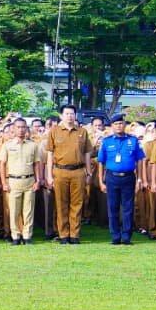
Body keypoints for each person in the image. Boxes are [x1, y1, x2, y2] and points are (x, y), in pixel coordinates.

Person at [45, 104, 93, 244]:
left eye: (72, 113)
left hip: (78, 171)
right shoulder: (54, 131)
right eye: (66, 114)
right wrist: (49, 175)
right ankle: (63, 234)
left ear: (75, 115)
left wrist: (89, 173)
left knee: (77, 204)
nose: (70, 116)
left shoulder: (82, 132)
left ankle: (74, 234)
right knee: (61, 204)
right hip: (60, 171)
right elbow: (49, 155)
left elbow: (87, 154)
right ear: (61, 116)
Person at [97, 115, 146, 246]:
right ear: (112, 126)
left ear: (125, 125)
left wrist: (140, 179)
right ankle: (115, 236)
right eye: (116, 124)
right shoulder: (106, 141)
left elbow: (140, 160)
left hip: (129, 177)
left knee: (128, 208)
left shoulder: (133, 141)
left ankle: (126, 237)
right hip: (112, 177)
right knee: (112, 208)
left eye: (121, 123)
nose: (119, 126)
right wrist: (101, 181)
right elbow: (101, 162)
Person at [0, 118, 43, 245]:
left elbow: (37, 164)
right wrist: (4, 183)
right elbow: (2, 164)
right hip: (13, 181)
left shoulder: (33, 145)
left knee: (28, 210)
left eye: (23, 127)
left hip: (29, 180)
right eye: (18, 127)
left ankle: (27, 235)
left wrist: (38, 180)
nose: (21, 130)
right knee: (14, 210)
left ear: (26, 129)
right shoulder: (7, 145)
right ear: (14, 129)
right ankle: (15, 236)